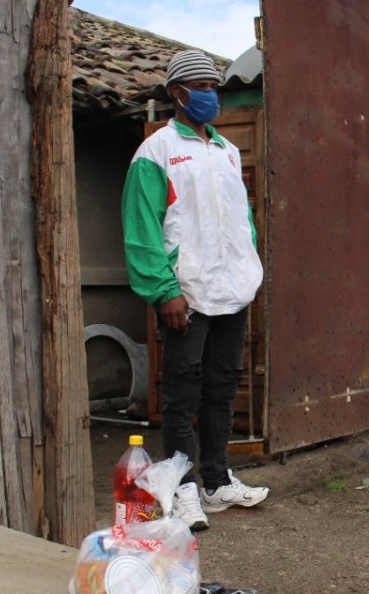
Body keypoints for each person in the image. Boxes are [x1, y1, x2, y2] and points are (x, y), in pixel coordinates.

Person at [122, 49, 269, 531]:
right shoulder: (156, 151)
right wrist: (164, 290)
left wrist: (248, 271)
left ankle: (215, 480)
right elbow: (143, 228)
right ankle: (182, 490)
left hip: (231, 292)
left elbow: (241, 221)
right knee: (182, 395)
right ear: (177, 94)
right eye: (200, 86)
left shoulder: (226, 151)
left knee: (223, 388)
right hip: (185, 294)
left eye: (214, 86)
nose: (210, 94)